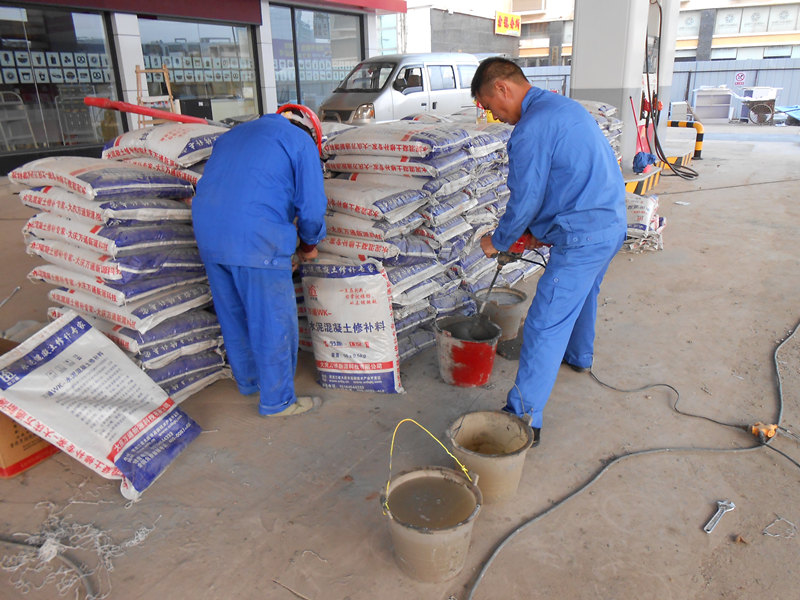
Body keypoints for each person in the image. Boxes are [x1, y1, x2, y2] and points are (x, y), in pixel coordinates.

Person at [472, 57, 627, 445]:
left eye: (490, 106)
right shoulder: (563, 107)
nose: (494, 116)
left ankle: (523, 416)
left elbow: (525, 198)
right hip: (610, 223)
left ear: (503, 88)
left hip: (583, 237)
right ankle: (579, 356)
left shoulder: (531, 128)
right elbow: (566, 178)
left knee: (544, 324)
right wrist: (539, 230)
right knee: (583, 294)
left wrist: (500, 240)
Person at [192, 106, 327, 417]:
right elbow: (311, 207)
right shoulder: (300, 142)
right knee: (272, 321)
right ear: (310, 133)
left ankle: (250, 382)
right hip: (256, 235)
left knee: (234, 315)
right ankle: (277, 402)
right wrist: (308, 246)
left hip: (208, 233)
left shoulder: (230, 136)